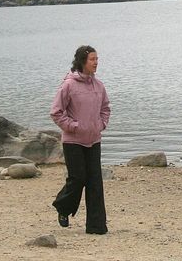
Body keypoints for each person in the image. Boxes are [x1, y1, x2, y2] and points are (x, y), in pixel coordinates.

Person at [50, 45, 111, 235]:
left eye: (97, 59)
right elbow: (56, 112)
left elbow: (106, 109)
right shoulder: (68, 85)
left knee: (95, 182)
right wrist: (74, 127)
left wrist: (101, 124)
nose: (96, 62)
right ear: (83, 61)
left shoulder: (99, 85)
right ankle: (63, 207)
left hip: (94, 140)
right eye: (93, 59)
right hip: (73, 141)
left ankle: (96, 226)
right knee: (78, 179)